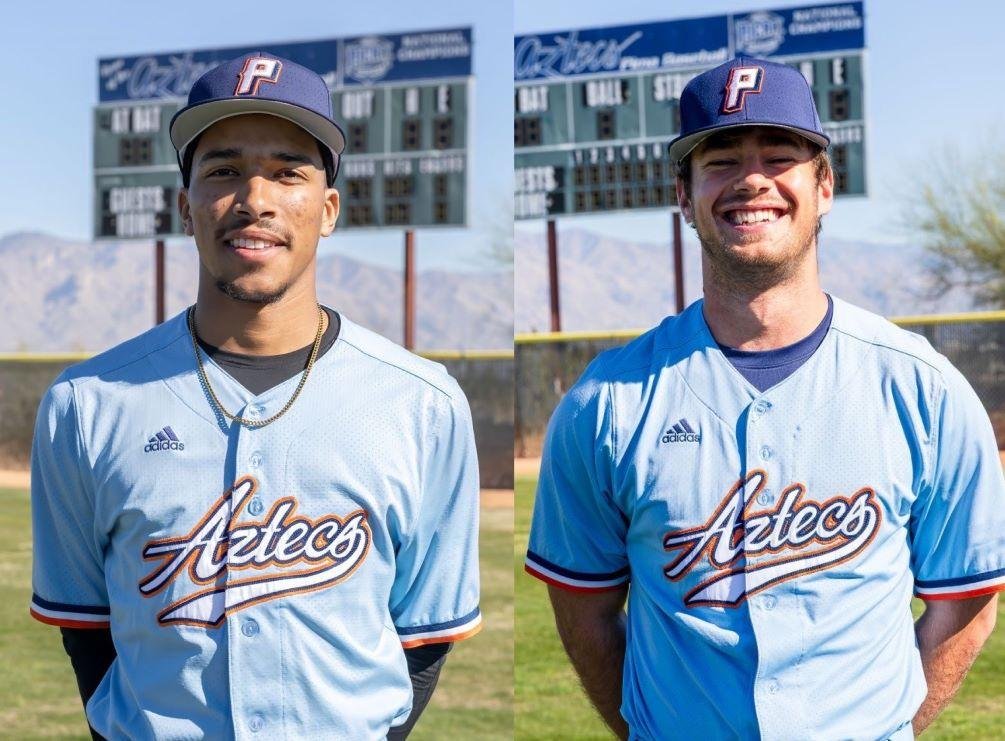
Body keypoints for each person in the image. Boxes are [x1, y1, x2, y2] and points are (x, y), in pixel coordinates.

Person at [525, 56, 1004, 739]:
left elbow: (965, 605)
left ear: (825, 186)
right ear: (682, 195)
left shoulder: (921, 388)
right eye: (719, 160)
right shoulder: (605, 402)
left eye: (779, 156)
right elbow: (584, 613)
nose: (752, 179)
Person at [30, 52, 481, 740]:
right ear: (186, 206)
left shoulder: (422, 402)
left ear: (327, 209)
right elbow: (87, 632)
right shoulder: (86, 405)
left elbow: (423, 639)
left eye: (287, 170)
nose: (255, 198)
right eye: (223, 170)